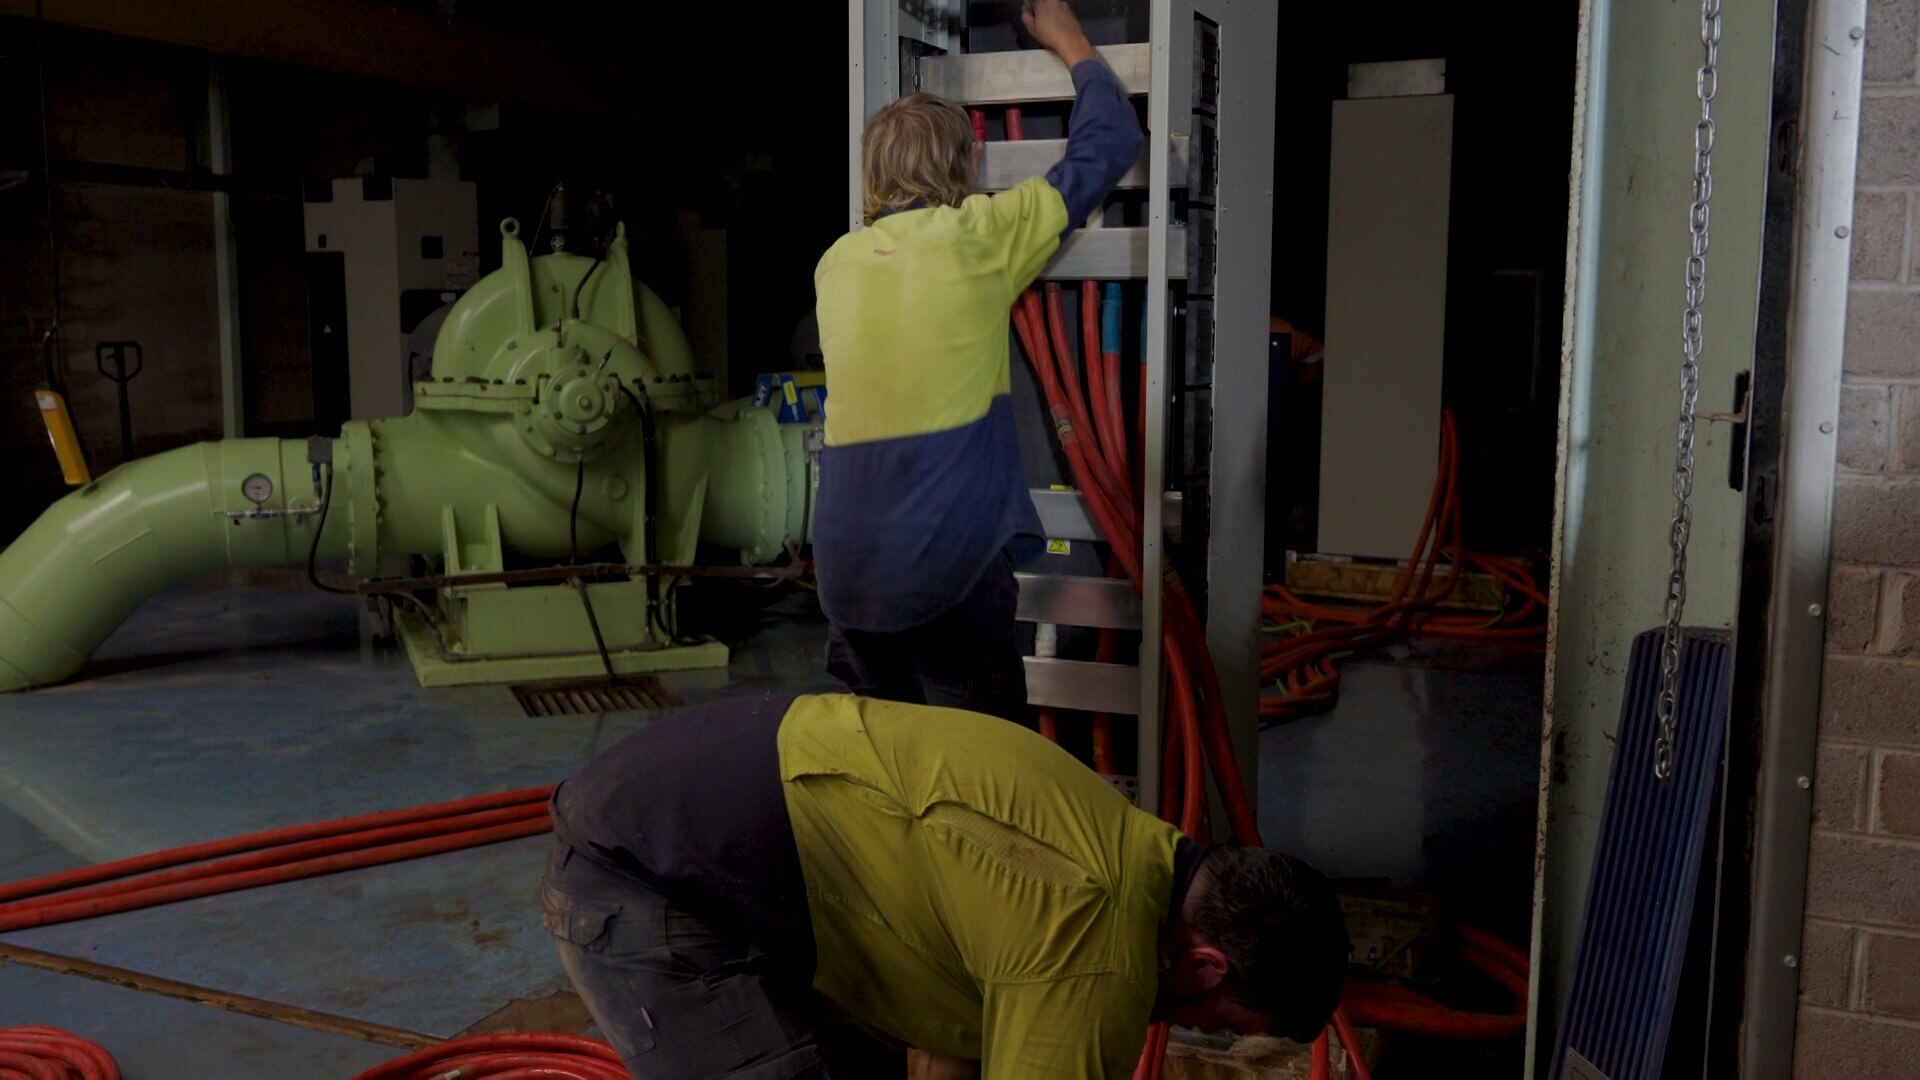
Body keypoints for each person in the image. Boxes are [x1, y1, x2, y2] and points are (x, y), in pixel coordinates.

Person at [541, 693, 1351, 1078]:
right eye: (1219, 1023)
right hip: (638, 881)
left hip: (707, 829)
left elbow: (960, 1030)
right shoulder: (1093, 943)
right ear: (1208, 963)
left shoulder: (1124, 842)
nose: (1199, 1029)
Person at [810, 0, 1144, 723]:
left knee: (885, 773)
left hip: (845, 580)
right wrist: (1067, 39)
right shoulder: (982, 237)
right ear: (972, 163)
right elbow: (1113, 139)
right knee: (989, 773)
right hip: (944, 575)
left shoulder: (835, 264)